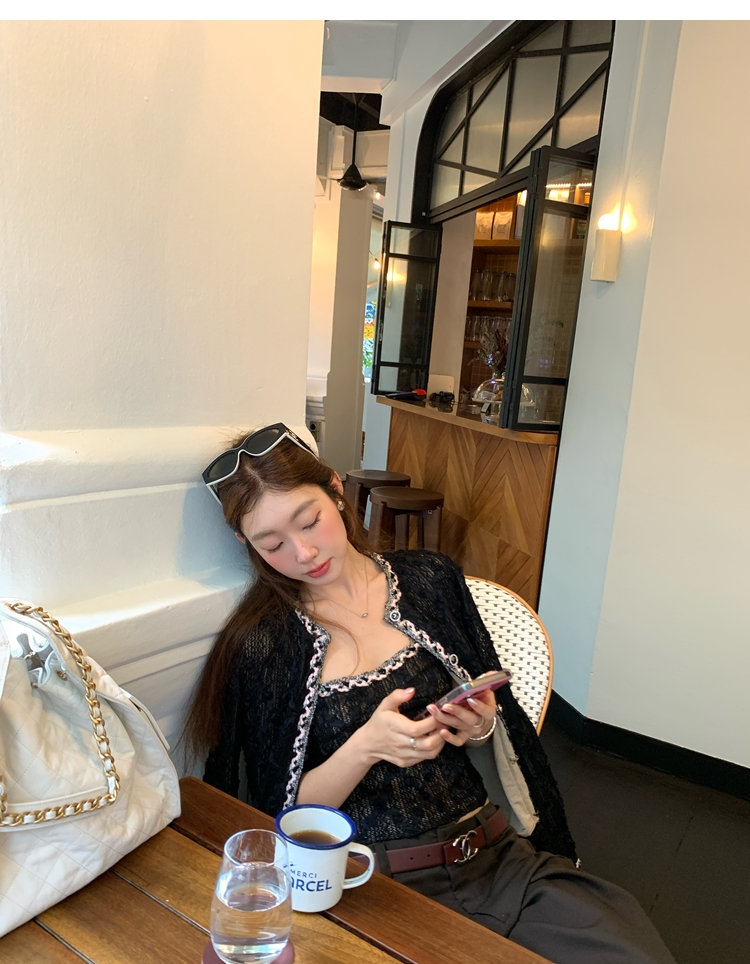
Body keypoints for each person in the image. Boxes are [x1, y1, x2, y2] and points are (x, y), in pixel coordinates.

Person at [184, 423, 676, 964]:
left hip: (496, 859)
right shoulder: (265, 643)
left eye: (310, 521)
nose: (303, 552)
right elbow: (277, 815)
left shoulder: (431, 579)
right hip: (372, 885)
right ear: (246, 544)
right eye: (273, 544)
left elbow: (502, 732)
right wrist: (365, 746)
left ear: (336, 489)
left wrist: (480, 725)